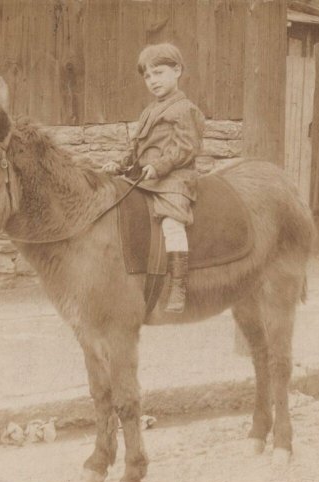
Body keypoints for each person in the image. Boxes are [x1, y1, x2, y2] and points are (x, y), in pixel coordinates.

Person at [102, 43, 205, 314]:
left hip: (174, 178)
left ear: (177, 71)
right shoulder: (149, 111)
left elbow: (186, 147)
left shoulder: (185, 109)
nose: (153, 81)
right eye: (147, 76)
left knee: (172, 224)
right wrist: (120, 164)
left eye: (158, 73)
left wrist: (159, 167)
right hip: (146, 176)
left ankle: (178, 286)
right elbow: (136, 148)